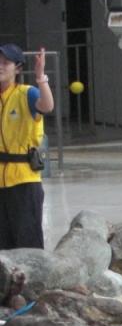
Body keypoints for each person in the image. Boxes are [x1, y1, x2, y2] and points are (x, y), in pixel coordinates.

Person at [0, 44, 54, 250]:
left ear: (18, 68)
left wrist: (41, 78)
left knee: (27, 244)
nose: (0, 66)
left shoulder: (26, 93)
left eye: (6, 63)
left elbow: (47, 106)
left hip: (24, 181)